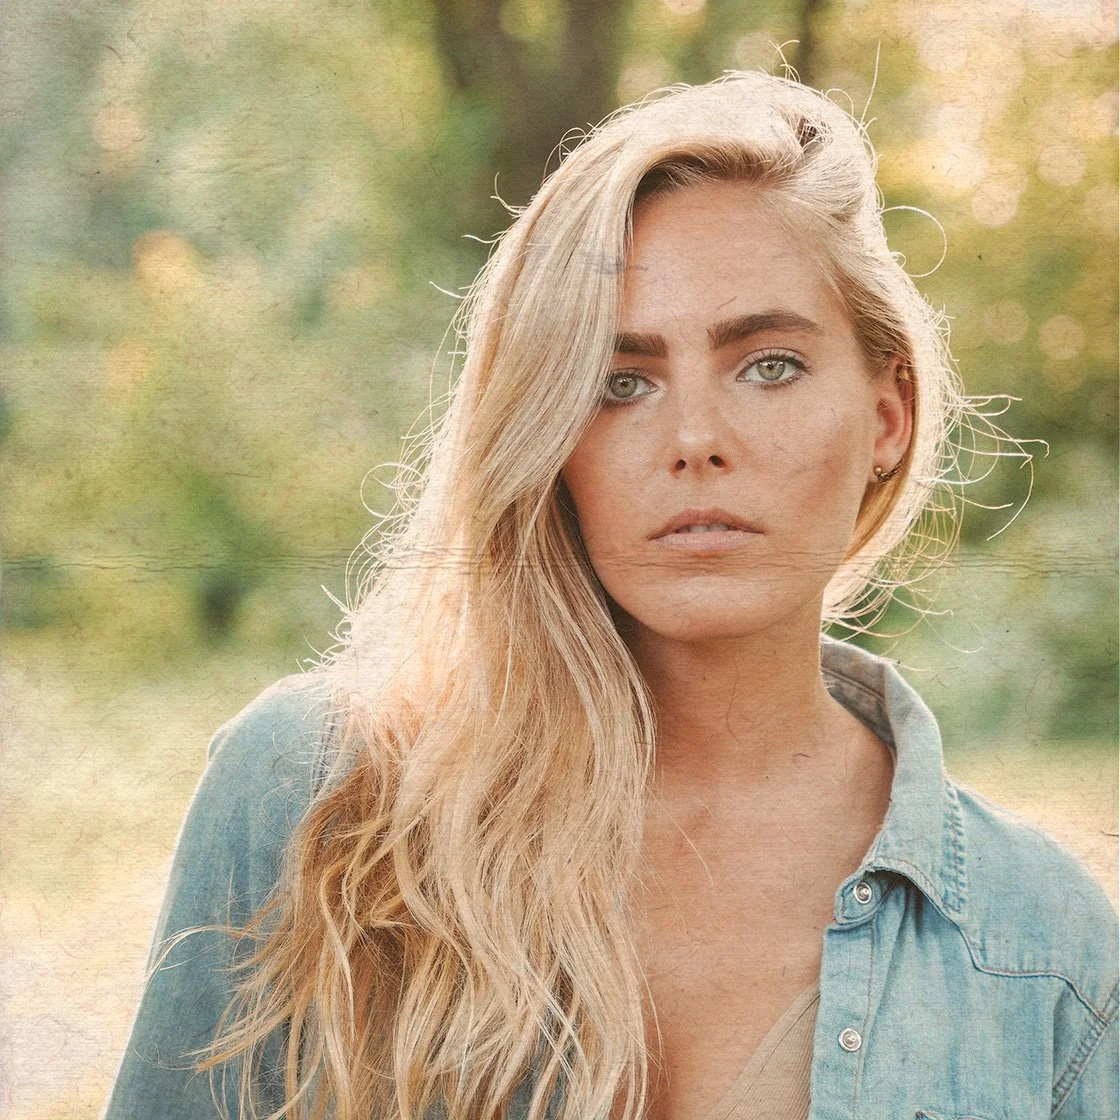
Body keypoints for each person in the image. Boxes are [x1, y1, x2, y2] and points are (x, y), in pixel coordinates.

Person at [103, 70, 1118, 1120]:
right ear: (546, 434)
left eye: (768, 365)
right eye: (617, 383)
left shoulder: (1044, 945)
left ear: (887, 415)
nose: (695, 440)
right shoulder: (319, 799)